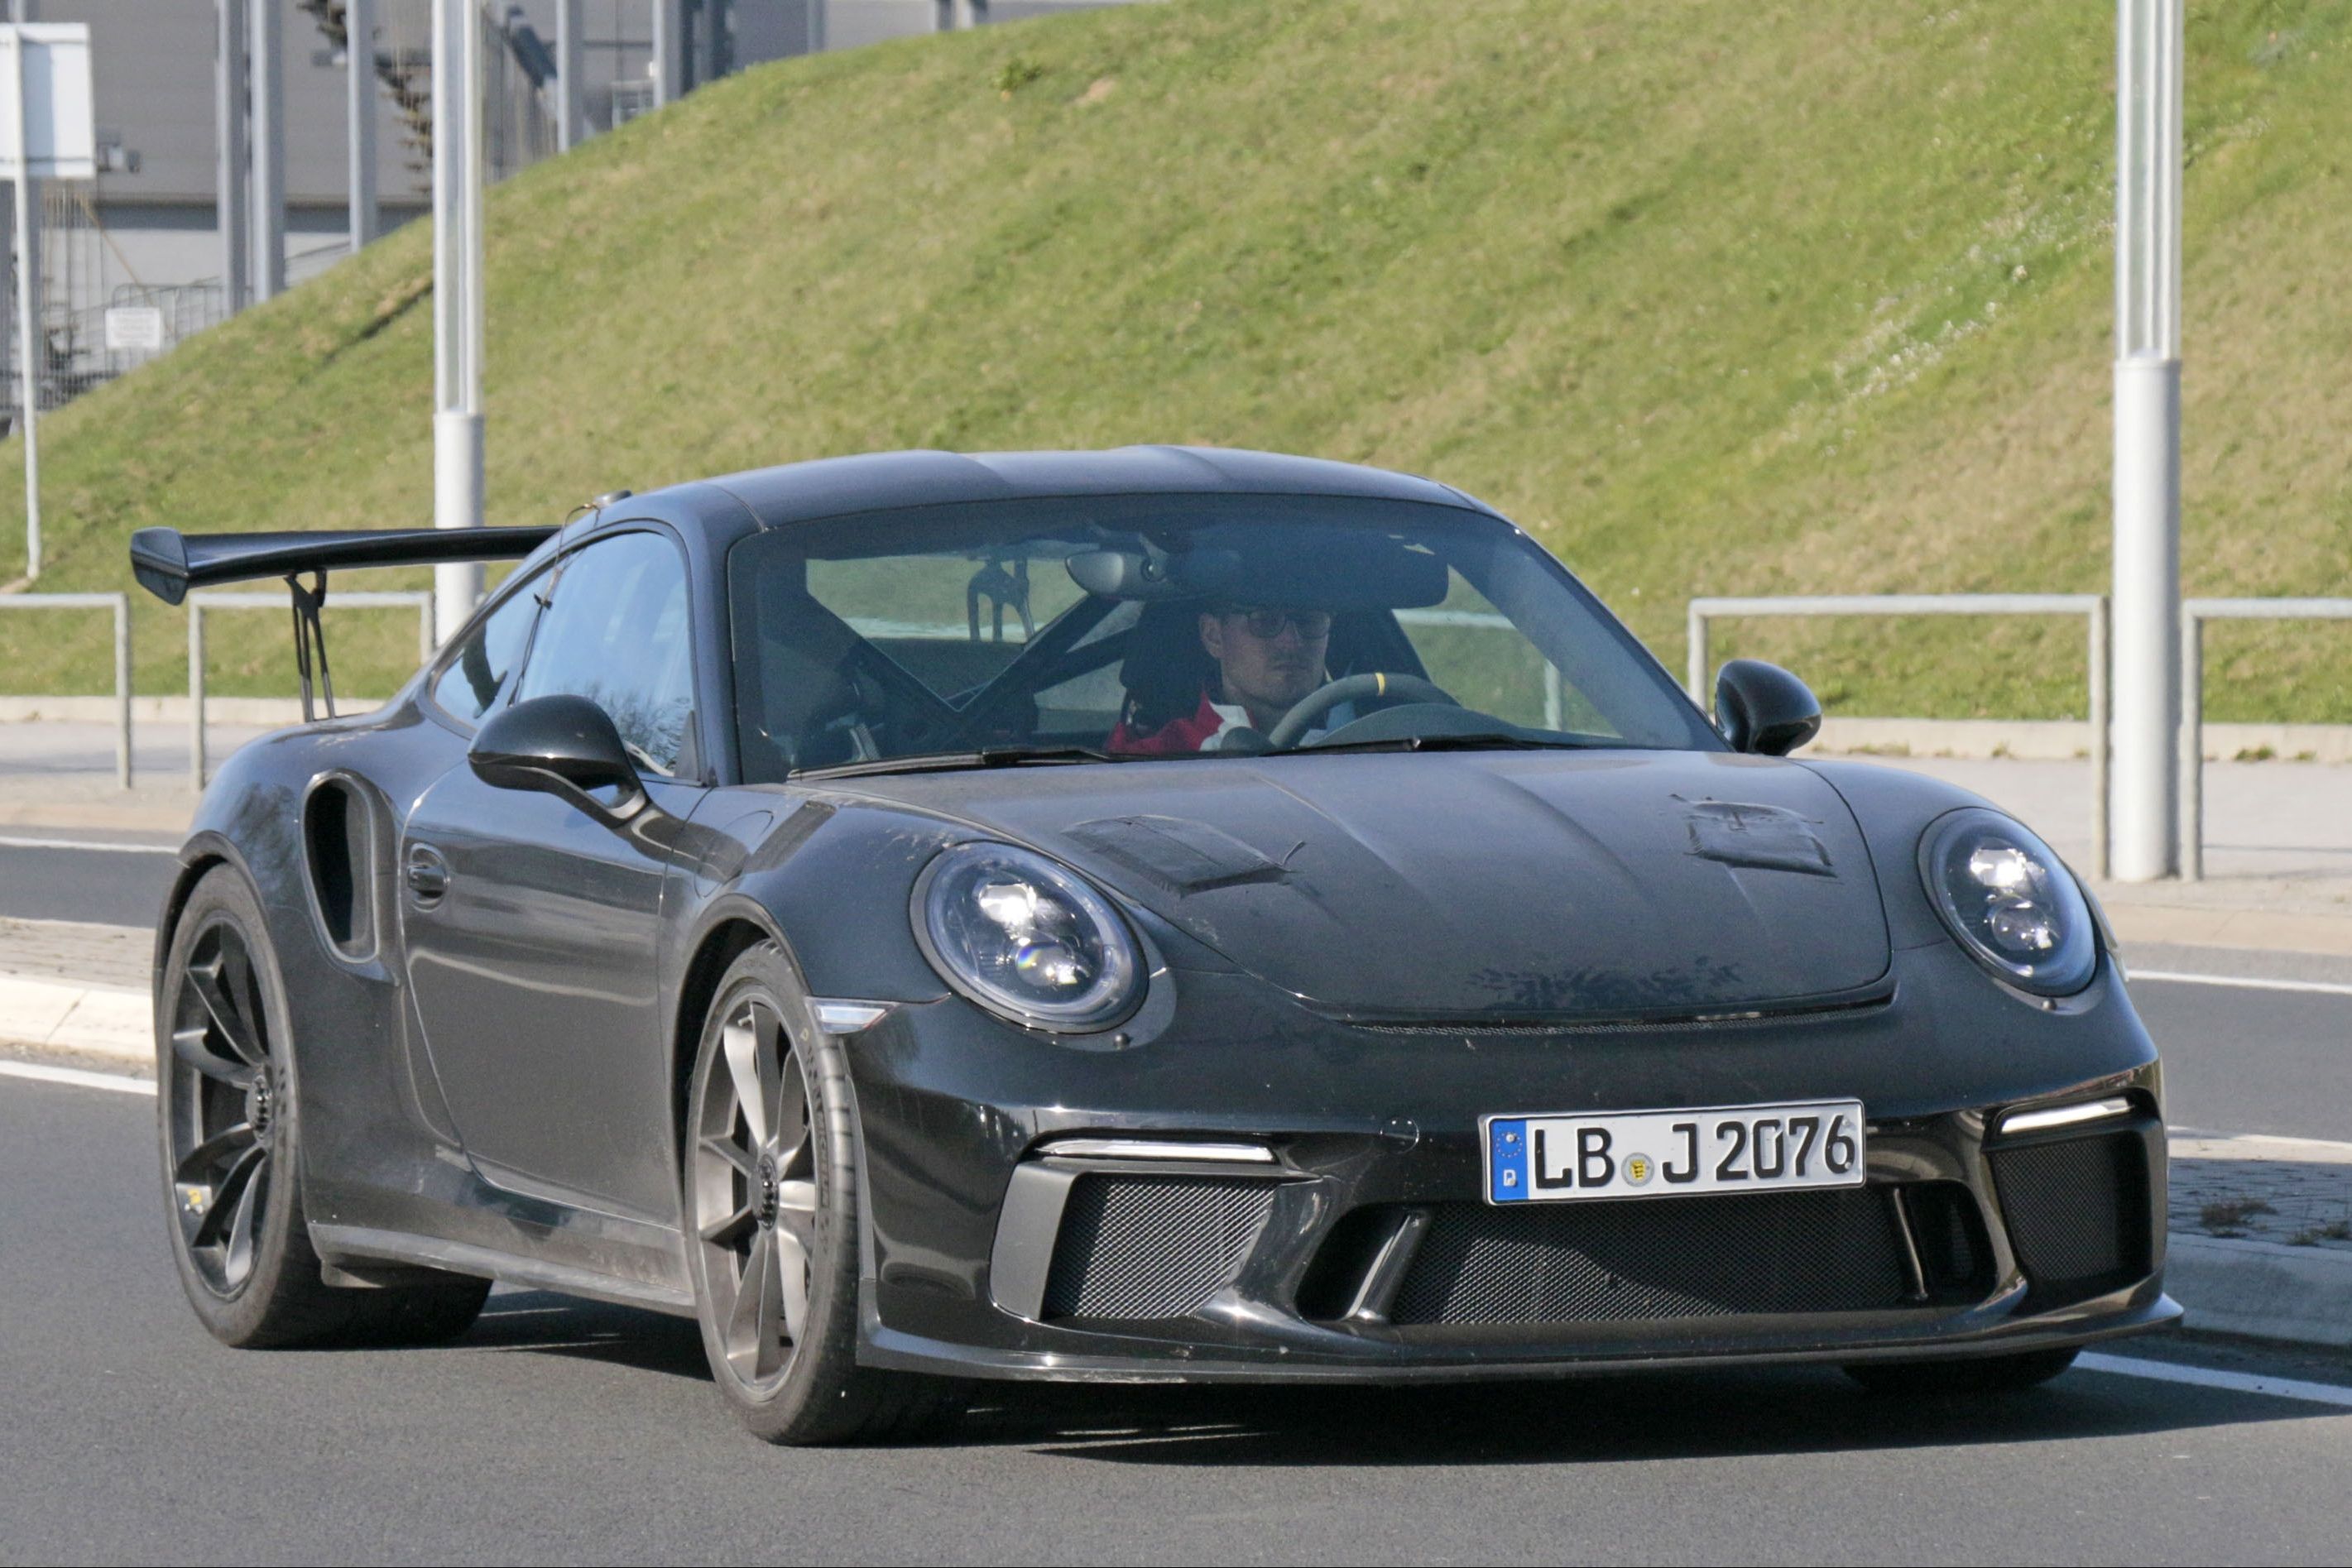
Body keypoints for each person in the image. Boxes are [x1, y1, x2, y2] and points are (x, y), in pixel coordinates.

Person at [1109, 602, 1336, 755]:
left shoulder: (1369, 743)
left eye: (1309, 620)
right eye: (1265, 621)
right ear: (1214, 636)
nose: (1292, 642)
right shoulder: (1146, 763)